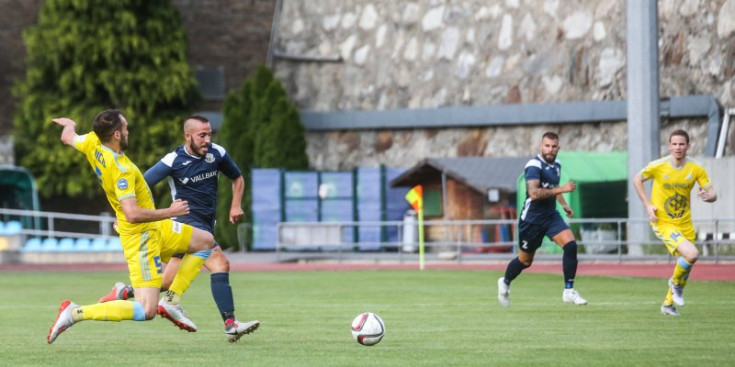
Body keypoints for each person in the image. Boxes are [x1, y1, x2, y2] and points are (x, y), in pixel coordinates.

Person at [47, 110, 216, 344]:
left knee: (205, 242)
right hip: (141, 238)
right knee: (146, 310)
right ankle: (75, 312)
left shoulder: (93, 142)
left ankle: (171, 301)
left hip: (159, 228)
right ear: (117, 134)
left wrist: (69, 124)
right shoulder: (121, 170)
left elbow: (68, 137)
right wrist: (171, 211)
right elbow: (133, 214)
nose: (128, 131)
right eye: (125, 128)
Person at [97, 115, 259, 342]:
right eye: (202, 135)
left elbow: (238, 177)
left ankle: (126, 292)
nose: (207, 140)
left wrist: (235, 205)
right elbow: (139, 184)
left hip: (204, 225)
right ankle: (230, 323)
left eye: (209, 134)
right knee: (220, 261)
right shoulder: (173, 160)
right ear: (188, 136)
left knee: (166, 281)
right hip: (184, 223)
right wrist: (124, 213)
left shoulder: (217, 154)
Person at [497, 132, 587, 307]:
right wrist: (561, 189)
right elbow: (534, 193)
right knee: (525, 261)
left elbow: (552, 188)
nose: (550, 150)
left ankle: (569, 290)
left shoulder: (557, 165)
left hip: (551, 216)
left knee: (570, 245)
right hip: (531, 220)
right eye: (547, 146)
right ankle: (505, 281)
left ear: (558, 148)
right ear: (541, 146)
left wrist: (563, 204)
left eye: (554, 147)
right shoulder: (534, 166)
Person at [633, 129, 717, 316]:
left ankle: (668, 304)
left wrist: (708, 196)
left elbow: (713, 194)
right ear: (669, 146)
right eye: (675, 144)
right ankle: (675, 285)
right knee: (692, 254)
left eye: (682, 144)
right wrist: (647, 205)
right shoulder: (659, 165)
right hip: (663, 222)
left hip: (685, 223)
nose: (678, 147)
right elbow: (637, 178)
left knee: (686, 261)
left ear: (688, 146)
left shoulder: (696, 168)